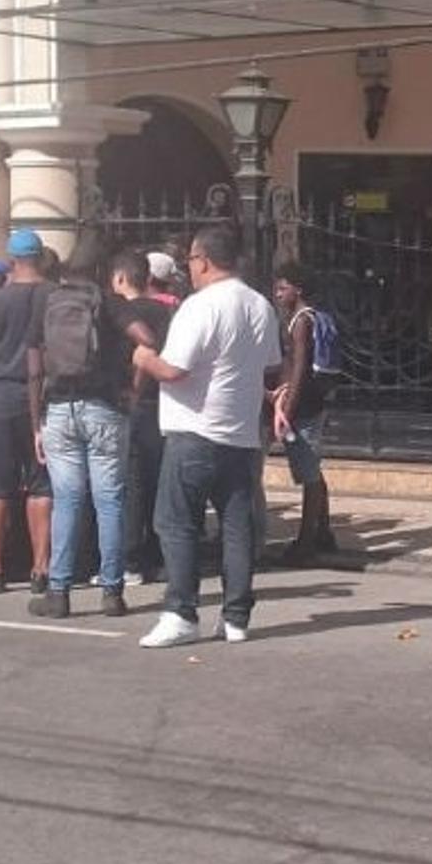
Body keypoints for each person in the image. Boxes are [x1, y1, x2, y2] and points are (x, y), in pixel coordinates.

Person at [133, 226, 283, 648]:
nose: (189, 269)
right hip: (239, 431)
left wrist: (145, 357)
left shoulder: (200, 307)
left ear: (203, 260)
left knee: (176, 522)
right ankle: (236, 616)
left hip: (194, 429)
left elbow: (174, 369)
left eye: (191, 262)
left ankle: (181, 611)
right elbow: (270, 362)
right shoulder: (260, 306)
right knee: (237, 526)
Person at [26, 236, 154, 619]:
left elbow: (33, 368)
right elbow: (147, 340)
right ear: (103, 271)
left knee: (67, 500)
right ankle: (112, 593)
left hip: (59, 411)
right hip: (104, 408)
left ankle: (59, 592)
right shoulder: (109, 303)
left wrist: (36, 423)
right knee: (109, 500)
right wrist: (133, 389)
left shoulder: (47, 302)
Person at [0, 229, 55, 593]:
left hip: (2, 394)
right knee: (41, 484)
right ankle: (42, 566)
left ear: (14, 258)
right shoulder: (54, 294)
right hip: (47, 398)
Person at [272, 261, 340, 563]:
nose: (277, 293)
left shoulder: (301, 321)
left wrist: (288, 406)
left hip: (304, 405)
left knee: (309, 472)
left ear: (297, 289)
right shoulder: (303, 318)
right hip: (311, 403)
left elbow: (299, 367)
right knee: (313, 468)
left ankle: (306, 541)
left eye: (283, 288)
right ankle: (323, 531)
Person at [112, 251, 171, 584]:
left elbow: (141, 355)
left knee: (133, 483)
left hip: (133, 403)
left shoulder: (122, 312)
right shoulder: (166, 311)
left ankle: (132, 560)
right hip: (162, 403)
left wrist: (132, 390)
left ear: (121, 278)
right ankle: (158, 555)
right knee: (159, 482)